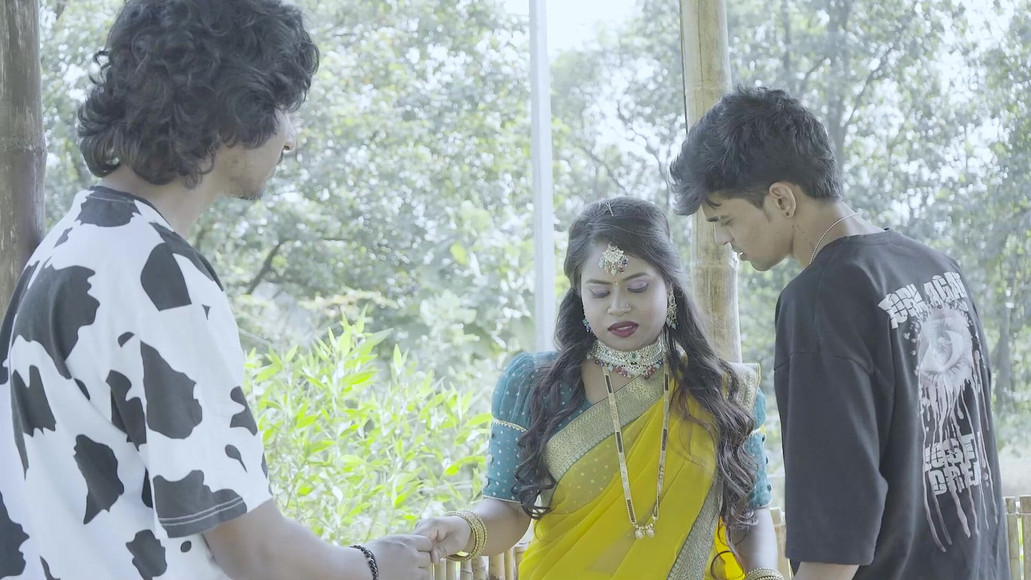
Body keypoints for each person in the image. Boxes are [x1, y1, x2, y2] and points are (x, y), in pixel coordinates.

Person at [0, 1, 432, 578]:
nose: (291, 139)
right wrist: (372, 565)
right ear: (235, 109)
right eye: (283, 108)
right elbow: (256, 553)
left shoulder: (70, 241)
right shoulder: (156, 276)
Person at [669, 86, 1010, 580]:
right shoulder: (936, 268)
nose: (723, 239)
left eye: (725, 219)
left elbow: (838, 529)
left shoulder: (820, 299)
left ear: (781, 198)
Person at [414, 197, 781, 579]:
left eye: (637, 287)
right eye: (600, 292)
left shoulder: (724, 392)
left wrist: (763, 573)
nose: (618, 306)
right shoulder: (536, 384)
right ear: (580, 296)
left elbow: (751, 513)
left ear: (670, 286)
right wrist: (463, 528)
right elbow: (507, 509)